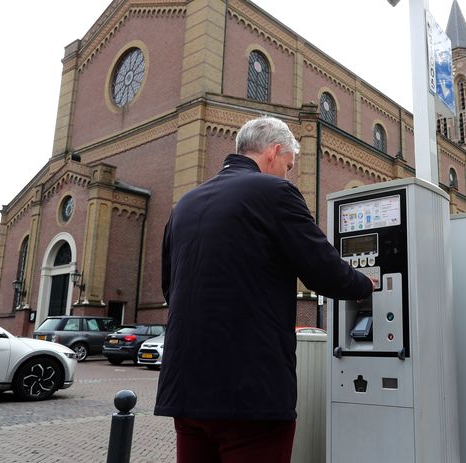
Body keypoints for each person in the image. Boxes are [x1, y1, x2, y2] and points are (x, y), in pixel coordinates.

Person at [155, 115, 375, 463]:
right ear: (274, 152)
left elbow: (171, 288)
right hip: (250, 396)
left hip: (185, 392)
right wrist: (366, 284)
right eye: (289, 165)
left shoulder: (184, 204)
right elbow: (323, 271)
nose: (288, 174)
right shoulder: (275, 192)